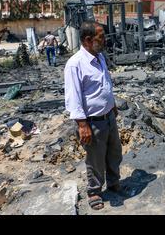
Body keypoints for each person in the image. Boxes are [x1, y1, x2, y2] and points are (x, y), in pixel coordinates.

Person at [64, 22, 122, 211]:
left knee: (114, 152)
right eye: (101, 38)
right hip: (92, 121)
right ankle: (94, 191)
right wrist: (82, 125)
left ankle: (113, 182)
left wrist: (112, 105)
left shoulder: (99, 57)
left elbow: (105, 83)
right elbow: (74, 98)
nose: (104, 41)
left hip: (108, 117)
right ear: (88, 40)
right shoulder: (75, 64)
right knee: (95, 160)